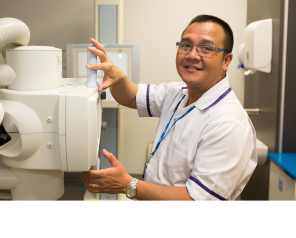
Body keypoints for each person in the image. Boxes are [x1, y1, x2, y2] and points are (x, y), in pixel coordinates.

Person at [81, 15, 257, 201]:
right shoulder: (178, 92)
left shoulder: (229, 124)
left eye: (206, 48)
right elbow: (132, 97)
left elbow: (197, 199)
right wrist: (115, 75)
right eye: (186, 45)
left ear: (226, 61)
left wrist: (128, 184)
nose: (192, 55)